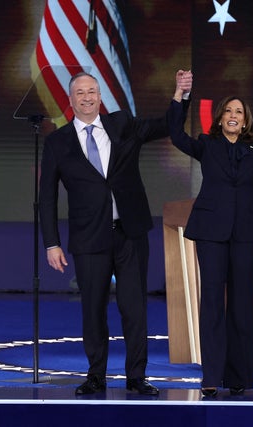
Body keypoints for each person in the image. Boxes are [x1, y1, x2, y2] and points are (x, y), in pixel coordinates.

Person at [39, 71, 192, 396]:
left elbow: (165, 125)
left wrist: (180, 94)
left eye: (92, 91)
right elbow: (47, 197)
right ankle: (96, 376)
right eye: (80, 92)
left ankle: (136, 377)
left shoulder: (121, 124)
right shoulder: (56, 142)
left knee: (134, 308)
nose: (87, 97)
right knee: (92, 310)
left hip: (130, 233)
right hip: (89, 238)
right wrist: (52, 243)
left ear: (99, 95)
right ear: (70, 99)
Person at [168, 71, 253, 397]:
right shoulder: (206, 145)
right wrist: (181, 96)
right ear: (220, 118)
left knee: (240, 304)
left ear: (246, 119)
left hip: (246, 233)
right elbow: (175, 134)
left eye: (239, 112)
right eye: (229, 111)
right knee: (211, 302)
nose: (234, 116)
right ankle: (211, 375)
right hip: (210, 232)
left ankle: (239, 377)